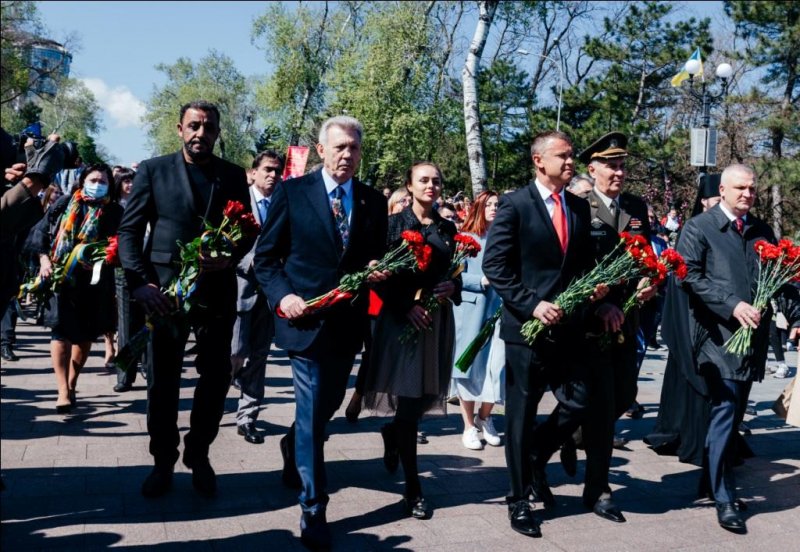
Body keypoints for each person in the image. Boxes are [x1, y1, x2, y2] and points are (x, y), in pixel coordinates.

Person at [253, 116, 388, 550]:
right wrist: (283, 296)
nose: (347, 155)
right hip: (304, 324)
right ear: (322, 148)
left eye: (353, 148)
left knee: (326, 406)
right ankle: (314, 508)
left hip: (347, 325)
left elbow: (373, 257)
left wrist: (375, 269)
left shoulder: (371, 201)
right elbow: (266, 259)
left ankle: (293, 443)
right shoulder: (292, 193)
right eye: (339, 147)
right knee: (313, 412)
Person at [117, 100, 252, 499]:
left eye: (208, 127)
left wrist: (229, 256)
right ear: (179, 129)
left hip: (216, 292)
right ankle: (162, 460)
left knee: (215, 378)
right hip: (164, 293)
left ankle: (199, 451)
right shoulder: (153, 170)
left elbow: (246, 229)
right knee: (162, 381)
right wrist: (140, 283)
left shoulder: (230, 175)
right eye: (194, 126)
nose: (201, 134)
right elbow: (129, 232)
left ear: (217, 132)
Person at [482, 130, 608, 538]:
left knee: (579, 400)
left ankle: (537, 453)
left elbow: (582, 264)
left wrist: (597, 292)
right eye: (564, 156)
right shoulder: (516, 205)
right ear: (539, 161)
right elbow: (495, 265)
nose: (571, 162)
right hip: (527, 330)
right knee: (520, 415)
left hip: (570, 328)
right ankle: (519, 499)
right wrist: (531, 303)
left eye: (572, 156)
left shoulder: (576, 205)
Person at [677, 164, 776, 534]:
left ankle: (711, 480)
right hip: (716, 337)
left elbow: (777, 276)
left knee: (733, 416)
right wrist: (731, 304)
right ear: (722, 190)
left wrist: (796, 316)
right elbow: (688, 274)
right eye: (740, 188)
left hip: (751, 338)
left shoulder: (760, 230)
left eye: (752, 188)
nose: (747, 194)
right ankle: (723, 497)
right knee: (725, 410)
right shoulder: (700, 228)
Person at [363, 162, 460, 521]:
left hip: (436, 321)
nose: (431, 185)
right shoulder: (393, 226)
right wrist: (405, 306)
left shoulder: (447, 228)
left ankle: (393, 432)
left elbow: (454, 271)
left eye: (437, 180)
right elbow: (379, 276)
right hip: (402, 321)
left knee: (424, 398)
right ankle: (413, 488)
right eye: (424, 180)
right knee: (408, 403)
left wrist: (455, 287)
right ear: (409, 185)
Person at [572, 132, 655, 523]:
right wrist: (599, 302)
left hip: (629, 317)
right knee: (603, 406)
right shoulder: (579, 207)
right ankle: (598, 488)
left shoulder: (637, 206)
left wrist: (651, 279)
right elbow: (575, 266)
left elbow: (645, 256)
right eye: (612, 165)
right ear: (593, 169)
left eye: (623, 165)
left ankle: (562, 436)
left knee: (624, 395)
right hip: (593, 321)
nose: (619, 172)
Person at [28, 163, 123, 413]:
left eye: (103, 181)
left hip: (94, 283)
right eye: (93, 179)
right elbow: (40, 234)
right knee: (60, 332)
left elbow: (122, 243)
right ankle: (61, 390)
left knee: (84, 336)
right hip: (62, 278)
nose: (98, 184)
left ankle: (72, 384)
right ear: (82, 181)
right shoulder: (66, 203)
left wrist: (108, 256)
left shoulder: (114, 211)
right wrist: (44, 259)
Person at [231, 150, 284, 444]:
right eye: (267, 169)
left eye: (277, 171)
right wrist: (251, 261)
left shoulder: (283, 204)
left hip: (270, 294)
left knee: (261, 355)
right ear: (253, 172)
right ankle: (232, 377)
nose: (272, 175)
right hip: (241, 288)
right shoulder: (238, 203)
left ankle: (247, 416)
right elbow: (224, 246)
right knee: (236, 352)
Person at [451, 190, 504, 450]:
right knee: (468, 369)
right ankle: (468, 426)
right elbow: (455, 275)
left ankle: (485, 417)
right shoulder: (467, 238)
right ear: (479, 207)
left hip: (502, 309)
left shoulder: (506, 237)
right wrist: (480, 281)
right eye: (490, 204)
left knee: (498, 367)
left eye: (498, 204)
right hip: (474, 309)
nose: (495, 208)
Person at [111, 167, 143, 393]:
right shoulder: (113, 208)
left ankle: (150, 370)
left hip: (149, 268)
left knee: (151, 323)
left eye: (133, 181)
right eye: (126, 182)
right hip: (123, 270)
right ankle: (124, 374)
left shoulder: (145, 203)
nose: (130, 185)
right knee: (126, 325)